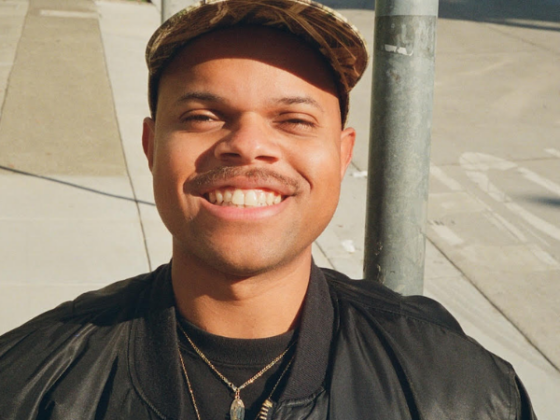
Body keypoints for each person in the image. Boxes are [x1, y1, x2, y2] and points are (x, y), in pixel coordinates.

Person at [0, 0, 536, 419]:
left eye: (294, 120)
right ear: (151, 146)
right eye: (203, 115)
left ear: (343, 154)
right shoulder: (29, 385)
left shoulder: (463, 391)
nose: (248, 145)